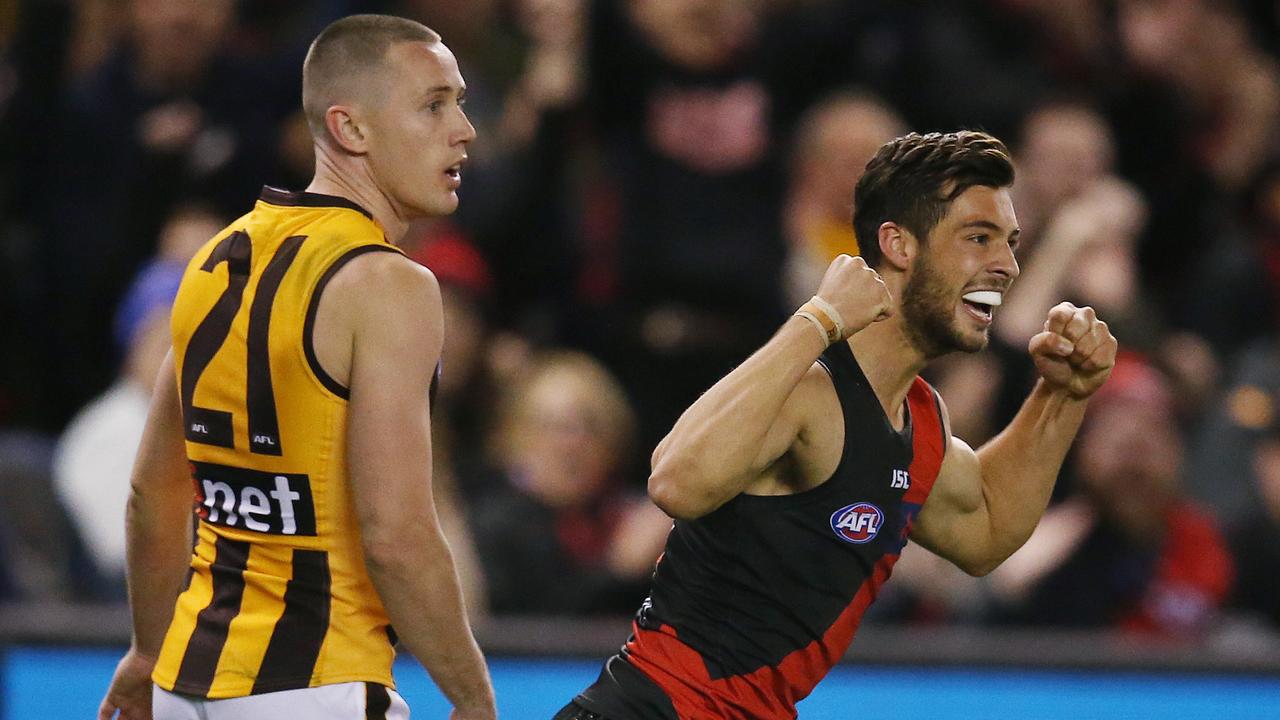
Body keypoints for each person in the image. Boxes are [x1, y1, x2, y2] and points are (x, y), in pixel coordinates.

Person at [558, 130, 1118, 720]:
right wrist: (819, 318)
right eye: (978, 239)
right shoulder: (809, 385)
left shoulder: (921, 420)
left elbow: (986, 530)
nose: (1005, 266)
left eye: (1011, 243)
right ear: (899, 245)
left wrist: (1064, 393)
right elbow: (674, 481)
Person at [98, 14, 495, 720]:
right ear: (351, 128)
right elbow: (397, 533)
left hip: (183, 687)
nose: (463, 129)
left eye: (460, 101)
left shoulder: (217, 259)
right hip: (320, 684)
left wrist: (145, 653)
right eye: (434, 104)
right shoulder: (389, 285)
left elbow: (151, 497)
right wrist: (472, 697)